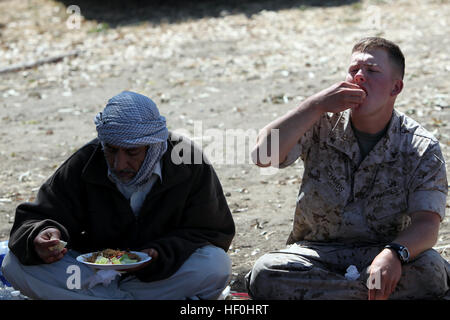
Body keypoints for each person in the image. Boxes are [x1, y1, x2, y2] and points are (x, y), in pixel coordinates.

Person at [247, 37, 450, 300]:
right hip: (317, 253)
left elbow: (427, 224)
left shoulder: (420, 146)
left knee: (431, 271)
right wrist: (313, 105)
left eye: (372, 71)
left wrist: (393, 254)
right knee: (266, 272)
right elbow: (262, 156)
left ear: (395, 87)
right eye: (354, 70)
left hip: (383, 253)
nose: (360, 77)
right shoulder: (318, 121)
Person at [1, 91, 235, 300]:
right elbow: (38, 216)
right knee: (15, 264)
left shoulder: (187, 161)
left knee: (215, 265)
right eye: (111, 150)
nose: (119, 163)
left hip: (158, 275)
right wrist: (43, 234)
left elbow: (211, 231)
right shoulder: (86, 161)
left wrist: (159, 253)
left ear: (153, 145)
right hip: (91, 274)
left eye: (132, 151)